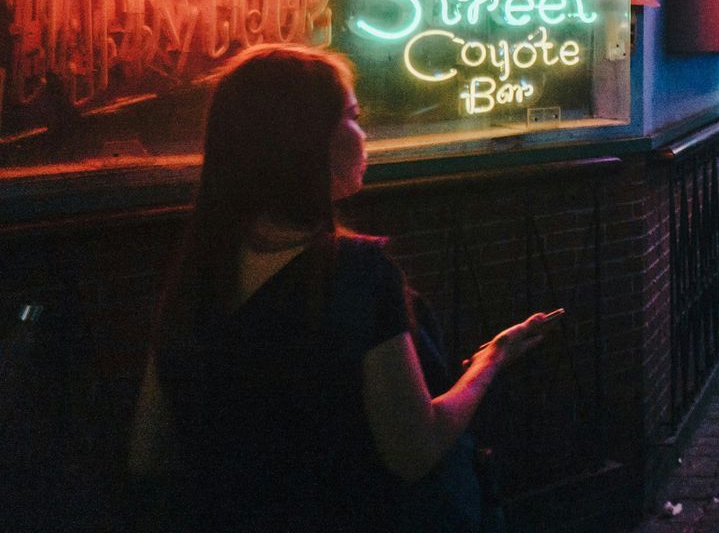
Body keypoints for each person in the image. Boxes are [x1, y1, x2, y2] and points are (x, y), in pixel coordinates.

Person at [128, 45, 561, 531]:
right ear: (308, 141)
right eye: (352, 116)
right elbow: (414, 450)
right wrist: (490, 362)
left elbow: (150, 454)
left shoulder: (198, 273)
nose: (364, 133)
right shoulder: (358, 272)